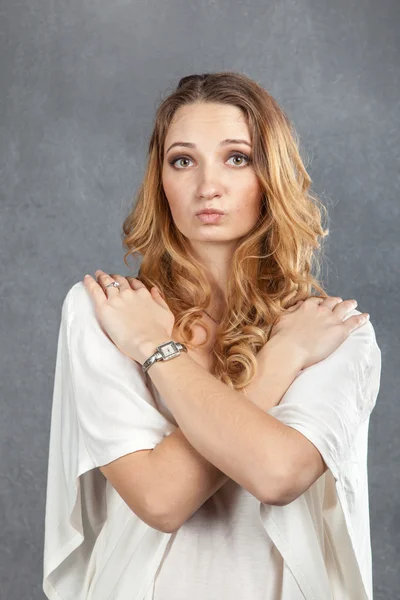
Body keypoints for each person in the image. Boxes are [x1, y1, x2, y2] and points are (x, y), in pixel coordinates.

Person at [42, 72, 382, 600]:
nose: (208, 186)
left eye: (237, 158)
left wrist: (159, 353)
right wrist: (282, 361)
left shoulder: (336, 331)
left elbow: (275, 474)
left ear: (272, 176)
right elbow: (161, 499)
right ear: (161, 181)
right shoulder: (104, 312)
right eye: (183, 161)